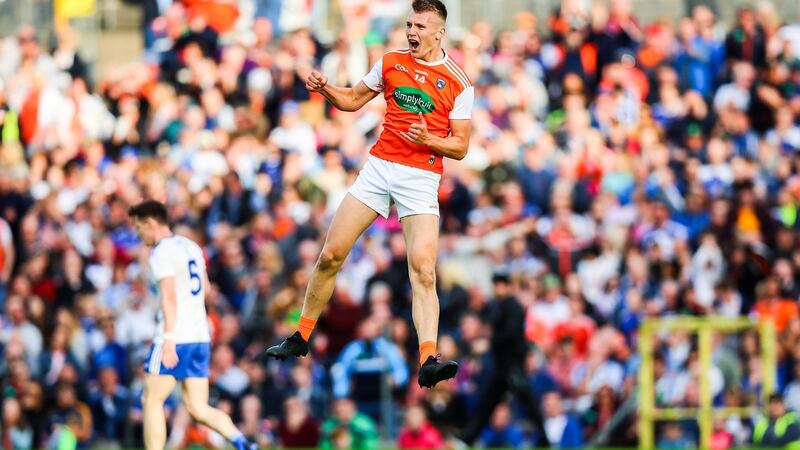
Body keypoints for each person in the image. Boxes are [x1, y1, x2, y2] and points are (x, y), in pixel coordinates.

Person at [266, 0, 474, 389]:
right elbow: (351, 101)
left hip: (420, 176)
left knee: (424, 269)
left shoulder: (458, 81)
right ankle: (301, 337)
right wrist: (325, 87)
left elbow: (460, 146)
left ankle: (428, 357)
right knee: (330, 255)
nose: (412, 32)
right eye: (409, 24)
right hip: (380, 168)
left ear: (439, 32)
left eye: (420, 26)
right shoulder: (392, 62)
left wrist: (429, 139)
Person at [128, 200, 257, 450]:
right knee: (198, 408)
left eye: (139, 227)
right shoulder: (191, 247)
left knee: (151, 400)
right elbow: (206, 289)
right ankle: (244, 443)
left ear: (150, 223)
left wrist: (168, 339)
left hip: (175, 336)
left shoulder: (161, 252)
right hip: (199, 336)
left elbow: (169, 296)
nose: (138, 233)